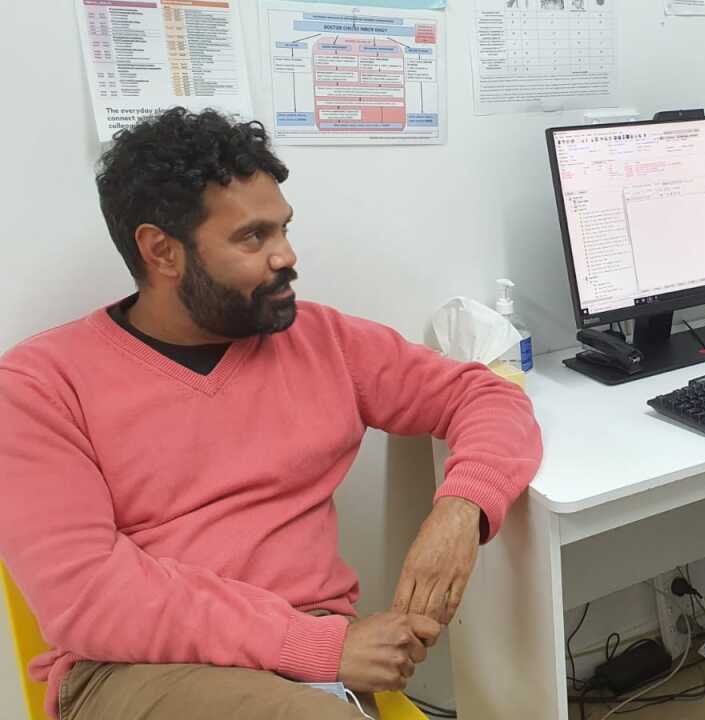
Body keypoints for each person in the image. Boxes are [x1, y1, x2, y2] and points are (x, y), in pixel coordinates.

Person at [0, 107, 542, 719]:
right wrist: (318, 647)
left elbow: (487, 395)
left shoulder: (322, 339)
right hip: (134, 668)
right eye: (253, 237)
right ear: (161, 252)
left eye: (284, 228)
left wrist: (461, 509)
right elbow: (88, 593)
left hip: (312, 667)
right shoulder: (38, 384)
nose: (287, 256)